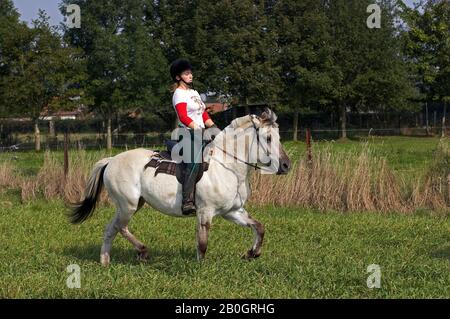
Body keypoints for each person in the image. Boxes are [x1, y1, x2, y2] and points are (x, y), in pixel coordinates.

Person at [170, 58, 217, 215]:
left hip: (201, 132)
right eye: (186, 73)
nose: (190, 75)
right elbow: (183, 117)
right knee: (195, 162)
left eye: (190, 72)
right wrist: (199, 130)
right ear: (178, 77)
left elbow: (202, 113)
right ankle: (187, 202)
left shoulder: (194, 93)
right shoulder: (179, 93)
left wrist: (214, 127)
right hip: (187, 133)